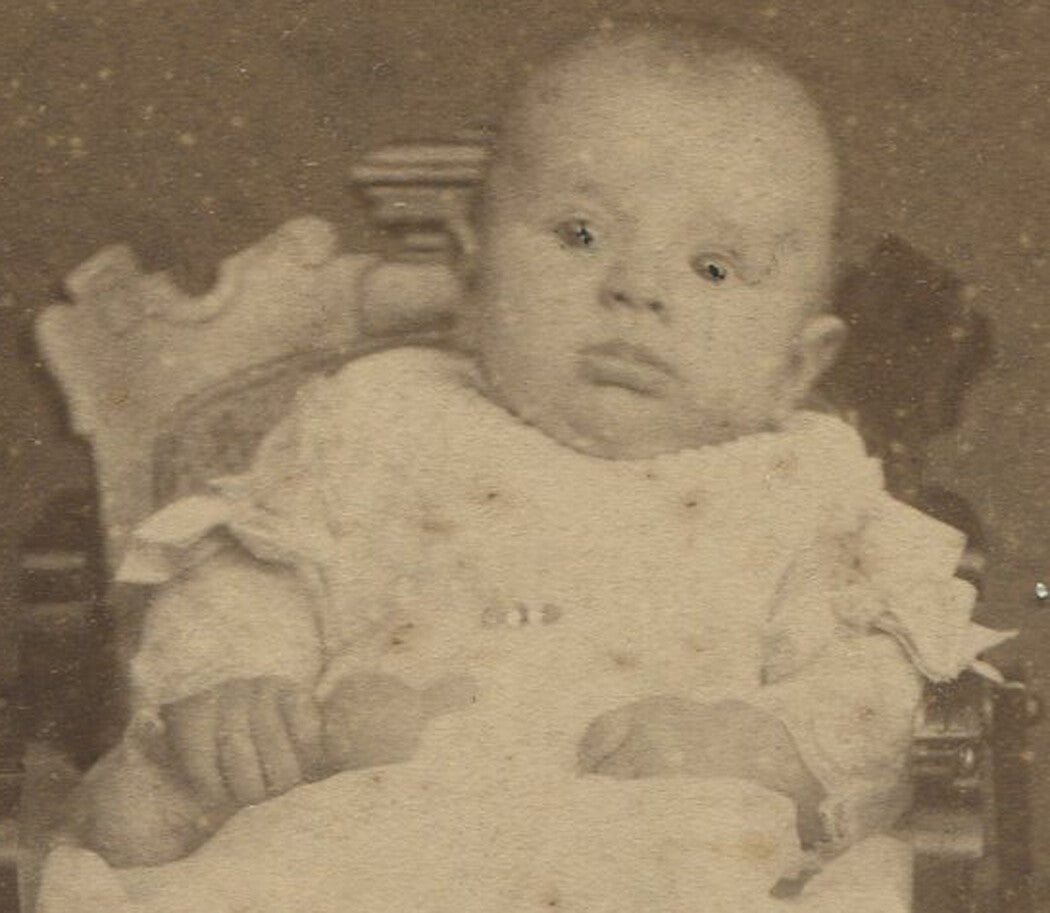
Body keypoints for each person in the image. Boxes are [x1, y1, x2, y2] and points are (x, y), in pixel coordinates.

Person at [39, 22, 1010, 913]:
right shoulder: (379, 417)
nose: (635, 290)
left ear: (798, 360)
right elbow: (252, 580)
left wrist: (763, 744)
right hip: (361, 840)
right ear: (472, 267)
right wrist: (243, 689)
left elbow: (873, 688)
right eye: (579, 234)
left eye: (713, 267)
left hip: (661, 850)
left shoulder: (807, 483)